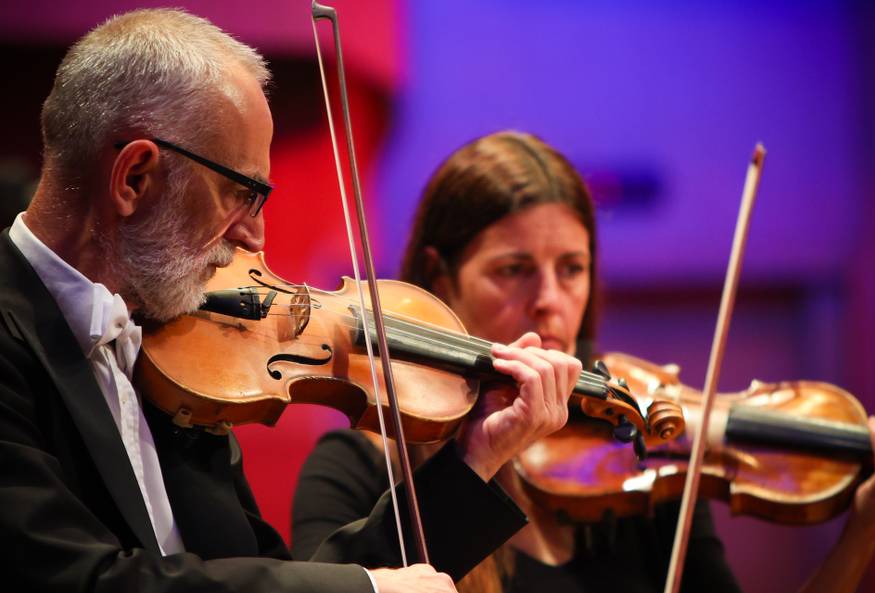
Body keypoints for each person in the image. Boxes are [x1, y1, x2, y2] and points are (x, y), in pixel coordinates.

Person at [0, 12, 583, 593]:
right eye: (241, 194)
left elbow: (282, 575)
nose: (254, 237)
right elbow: (76, 578)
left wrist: (474, 458)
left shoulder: (171, 347)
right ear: (135, 177)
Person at [290, 131, 875, 592]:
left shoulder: (640, 451)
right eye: (513, 270)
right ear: (441, 276)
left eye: (572, 269)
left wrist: (863, 533)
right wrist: (478, 459)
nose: (550, 301)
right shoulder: (360, 468)